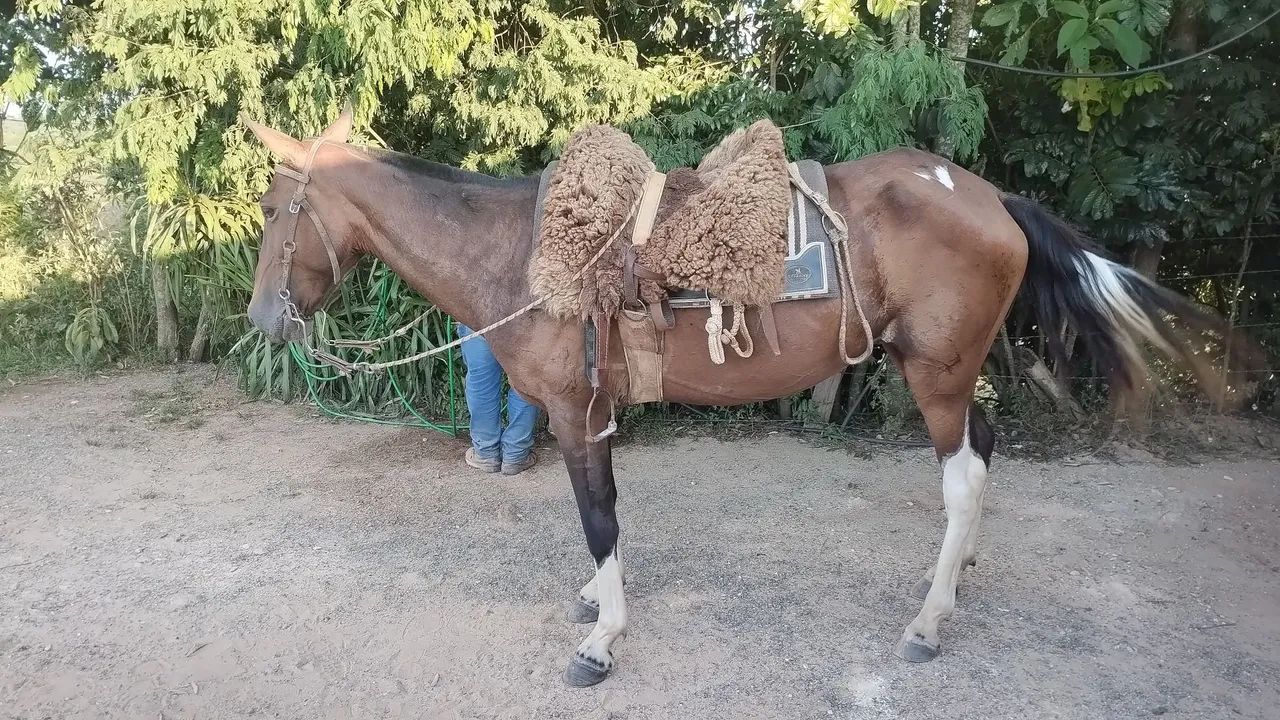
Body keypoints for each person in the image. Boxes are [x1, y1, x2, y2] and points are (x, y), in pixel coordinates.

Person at [456, 323, 539, 475]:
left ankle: (485, 453)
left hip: (479, 316)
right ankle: (516, 454)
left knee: (482, 380)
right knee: (524, 377)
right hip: (523, 316)